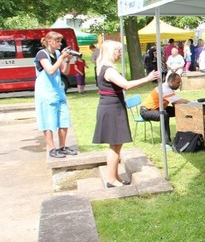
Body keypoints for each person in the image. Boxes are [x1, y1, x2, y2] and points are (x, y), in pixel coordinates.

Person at [92, 40, 158, 187]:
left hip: (114, 107)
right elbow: (126, 85)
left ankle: (115, 177)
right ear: (111, 52)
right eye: (118, 51)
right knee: (114, 145)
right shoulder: (109, 70)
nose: (120, 54)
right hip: (111, 109)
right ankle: (111, 179)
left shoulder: (104, 67)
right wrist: (148, 78)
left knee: (117, 145)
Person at [34, 31, 77, 158]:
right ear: (49, 42)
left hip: (58, 91)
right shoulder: (42, 54)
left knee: (64, 120)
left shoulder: (57, 54)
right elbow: (50, 70)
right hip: (45, 93)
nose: (60, 43)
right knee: (48, 121)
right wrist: (62, 58)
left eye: (60, 41)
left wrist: (67, 60)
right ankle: (52, 149)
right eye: (57, 41)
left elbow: (65, 71)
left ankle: (62, 147)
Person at [140, 72, 189, 144]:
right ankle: (166, 142)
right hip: (146, 111)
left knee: (179, 110)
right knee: (164, 115)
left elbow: (175, 103)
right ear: (171, 82)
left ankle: (185, 134)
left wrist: (181, 110)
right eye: (178, 82)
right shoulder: (165, 89)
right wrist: (193, 103)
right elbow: (178, 101)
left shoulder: (168, 88)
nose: (179, 84)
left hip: (158, 109)